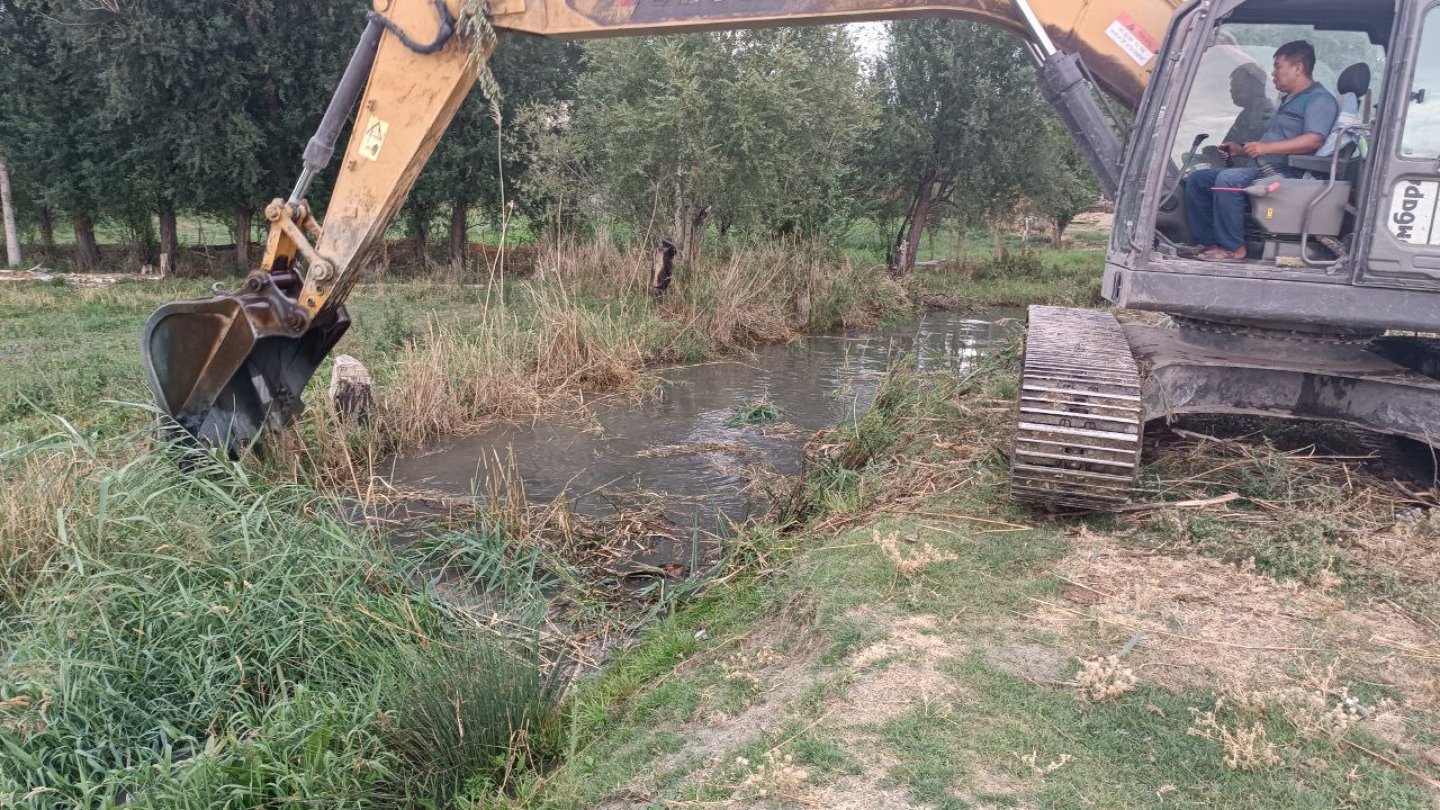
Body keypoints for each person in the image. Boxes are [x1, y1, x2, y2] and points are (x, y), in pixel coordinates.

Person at [1184, 41, 1340, 261]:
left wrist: (1265, 147)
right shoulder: (1290, 100)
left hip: (1288, 174)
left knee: (1227, 180)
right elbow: (1275, 145)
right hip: (1265, 168)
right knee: (1199, 180)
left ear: (1298, 67)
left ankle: (1233, 249)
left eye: (1278, 66)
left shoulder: (1319, 99)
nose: (1274, 73)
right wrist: (1241, 150)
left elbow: (1313, 140)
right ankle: (1207, 242)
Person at [1200, 64, 1276, 168]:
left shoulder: (1267, 115)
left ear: (1256, 86)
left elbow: (1259, 152)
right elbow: (1229, 146)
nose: (1232, 90)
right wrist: (1215, 152)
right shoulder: (1247, 114)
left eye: (1237, 86)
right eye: (1232, 86)